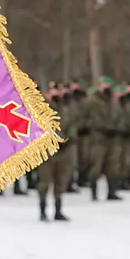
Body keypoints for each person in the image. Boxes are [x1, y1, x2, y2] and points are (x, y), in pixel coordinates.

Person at [37, 84, 75, 221]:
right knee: (44, 182)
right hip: (47, 151)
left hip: (63, 151)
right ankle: (42, 210)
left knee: (61, 181)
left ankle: (58, 210)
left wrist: (67, 140)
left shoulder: (66, 109)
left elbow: (72, 125)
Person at [86, 77, 123, 201]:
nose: (105, 87)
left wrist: (116, 128)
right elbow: (92, 118)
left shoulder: (113, 102)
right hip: (98, 139)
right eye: (103, 85)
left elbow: (118, 116)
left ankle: (112, 191)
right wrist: (105, 127)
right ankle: (94, 192)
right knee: (96, 167)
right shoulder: (93, 102)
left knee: (112, 167)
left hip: (112, 139)